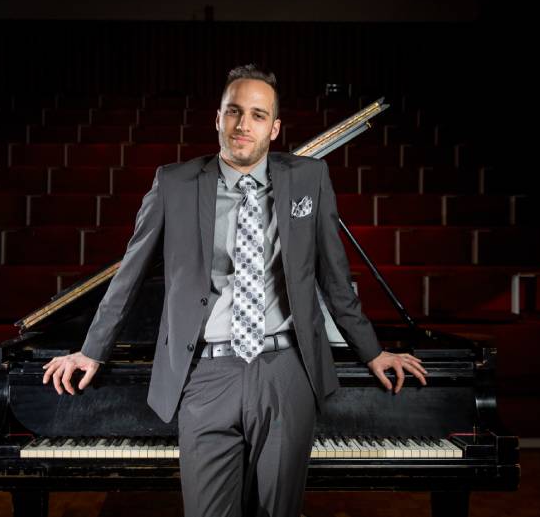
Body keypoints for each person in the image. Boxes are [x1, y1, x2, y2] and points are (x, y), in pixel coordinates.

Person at [41, 64, 428, 517]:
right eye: (234, 112)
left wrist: (373, 352)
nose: (244, 125)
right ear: (218, 118)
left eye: (258, 115)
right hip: (206, 375)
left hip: (287, 369)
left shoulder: (310, 179)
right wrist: (91, 351)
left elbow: (336, 279)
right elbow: (129, 275)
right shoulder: (174, 183)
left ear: (275, 127)